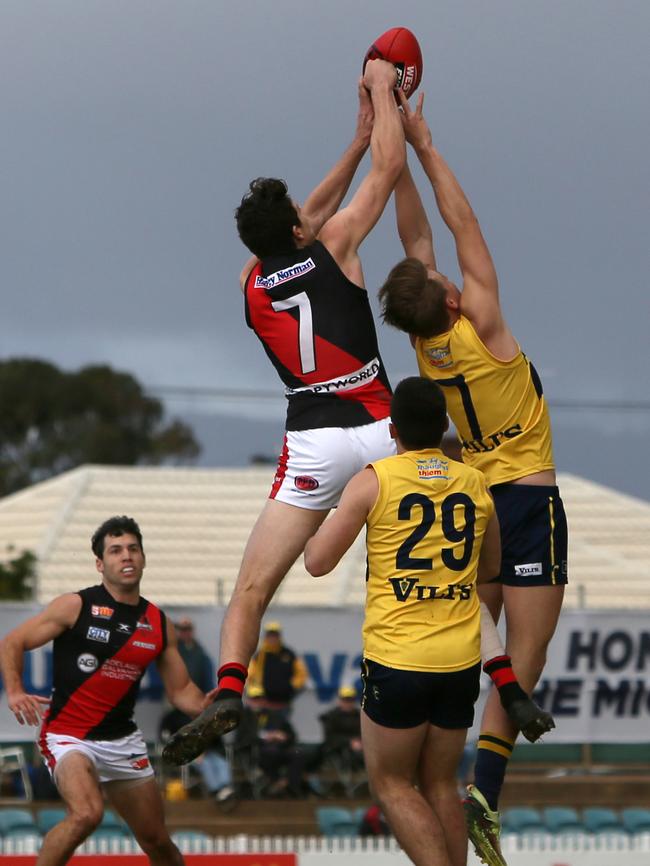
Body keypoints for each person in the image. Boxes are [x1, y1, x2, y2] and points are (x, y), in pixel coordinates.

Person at [162, 58, 406, 766]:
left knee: (251, 589)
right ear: (301, 228)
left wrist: (351, 143)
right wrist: (383, 95)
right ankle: (496, 671)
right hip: (381, 425)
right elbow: (387, 171)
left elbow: (299, 226)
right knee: (444, 527)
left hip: (313, 440)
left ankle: (230, 690)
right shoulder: (335, 246)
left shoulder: (249, 282)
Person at [378, 92, 567, 866]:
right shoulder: (478, 321)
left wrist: (388, 139)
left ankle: (458, 778)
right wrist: (421, 143)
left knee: (475, 627)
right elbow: (463, 227)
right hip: (525, 491)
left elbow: (417, 234)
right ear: (451, 299)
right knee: (530, 652)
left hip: (473, 497)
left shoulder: (427, 347)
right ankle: (488, 784)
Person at [304, 376, 502, 866]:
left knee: (392, 783)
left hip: (399, 657)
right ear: (442, 427)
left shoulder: (376, 478)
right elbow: (492, 567)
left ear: (392, 428)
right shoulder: (475, 481)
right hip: (459, 660)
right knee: (440, 783)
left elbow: (316, 562)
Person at [0, 516, 216, 866]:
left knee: (157, 840)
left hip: (122, 741)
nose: (126, 556)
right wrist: (14, 691)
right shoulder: (76, 605)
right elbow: (13, 641)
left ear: (143, 558)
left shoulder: (158, 623)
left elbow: (182, 692)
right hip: (69, 736)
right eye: (115, 551)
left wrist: (210, 706)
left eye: (133, 549)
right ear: (100, 564)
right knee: (87, 814)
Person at [159, 618, 235, 807]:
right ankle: (220, 791)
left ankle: (225, 790)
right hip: (190, 749)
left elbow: (216, 738)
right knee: (206, 762)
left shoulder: (200, 654)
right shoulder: (174, 653)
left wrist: (202, 702)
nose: (185, 632)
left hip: (206, 746)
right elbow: (167, 736)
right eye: (181, 629)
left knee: (218, 762)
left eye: (187, 629)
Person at [247, 621, 308, 717]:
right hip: (264, 702)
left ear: (279, 636)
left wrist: (291, 686)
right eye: (270, 635)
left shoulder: (288, 654)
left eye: (275, 635)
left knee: (281, 727)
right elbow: (250, 675)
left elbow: (301, 674)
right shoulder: (260, 655)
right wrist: (255, 691)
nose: (272, 638)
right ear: (266, 636)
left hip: (284, 701)